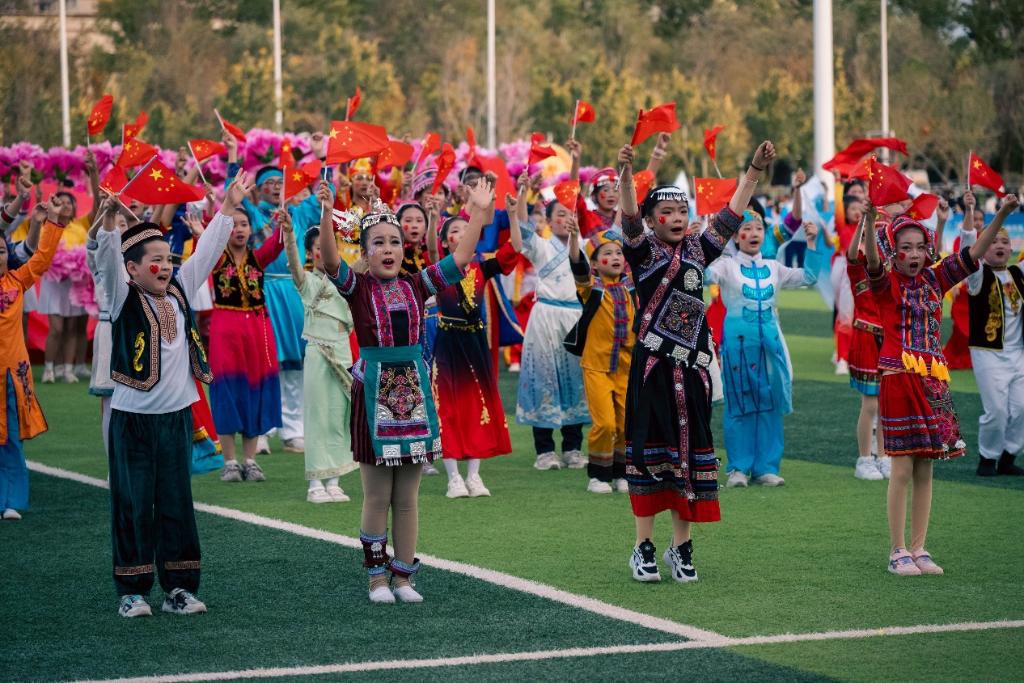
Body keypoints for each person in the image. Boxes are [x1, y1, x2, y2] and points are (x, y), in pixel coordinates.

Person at [320, 181, 492, 604]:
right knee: (377, 496)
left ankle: (404, 578)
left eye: (394, 241)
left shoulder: (418, 284)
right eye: (378, 242)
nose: (388, 249)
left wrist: (477, 212)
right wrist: (326, 213)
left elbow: (461, 259)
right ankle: (376, 579)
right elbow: (329, 260)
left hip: (413, 395)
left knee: (408, 499)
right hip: (373, 395)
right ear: (365, 252)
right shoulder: (357, 287)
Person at [616, 139, 775, 584]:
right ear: (651, 220)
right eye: (666, 212)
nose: (676, 218)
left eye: (682, 211)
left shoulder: (699, 251)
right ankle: (643, 548)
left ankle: (681, 548)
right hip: (652, 369)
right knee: (650, 453)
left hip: (693, 369)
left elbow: (732, 214)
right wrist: (626, 176)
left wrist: (754, 170)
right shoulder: (641, 252)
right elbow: (627, 217)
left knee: (688, 453)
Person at [97, 170, 252, 616]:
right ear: (132, 268)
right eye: (156, 261)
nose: (166, 267)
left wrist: (228, 207)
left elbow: (206, 252)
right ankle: (132, 591)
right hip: (132, 421)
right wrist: (109, 224)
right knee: (132, 506)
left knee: (176, 504)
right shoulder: (121, 297)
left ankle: (179, 589)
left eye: (168, 259)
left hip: (176, 419)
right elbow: (106, 262)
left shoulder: (180, 290)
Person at [862, 194, 1018, 577]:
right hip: (899, 378)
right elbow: (872, 262)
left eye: (920, 246)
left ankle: (919, 548)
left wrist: (1002, 212)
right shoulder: (886, 283)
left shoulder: (936, 278)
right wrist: (867, 223)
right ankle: (897, 550)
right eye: (906, 247)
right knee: (901, 468)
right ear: (894, 251)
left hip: (933, 381)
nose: (914, 254)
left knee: (926, 468)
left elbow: (974, 253)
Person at [225, 132, 326, 454]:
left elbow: (326, 194)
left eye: (279, 182)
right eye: (267, 183)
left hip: (294, 291)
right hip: (263, 291)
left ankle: (293, 431)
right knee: (266, 362)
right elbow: (232, 196)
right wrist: (232, 154)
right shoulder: (253, 215)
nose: (274, 187)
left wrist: (322, 157)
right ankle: (263, 429)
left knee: (295, 364)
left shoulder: (300, 214)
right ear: (258, 189)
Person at [708, 211, 820, 488]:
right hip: (738, 344)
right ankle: (738, 468)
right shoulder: (726, 266)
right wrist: (704, 243)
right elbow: (704, 276)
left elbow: (809, 276)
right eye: (747, 228)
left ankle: (766, 468)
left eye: (759, 228)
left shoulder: (774, 267)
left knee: (770, 402)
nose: (754, 233)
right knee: (739, 403)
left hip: (770, 345)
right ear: (736, 237)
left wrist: (811, 243)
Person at [432, 191, 519, 499]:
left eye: (466, 229)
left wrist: (513, 214)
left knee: (477, 406)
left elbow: (515, 248)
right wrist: (434, 217)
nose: (462, 234)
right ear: (445, 243)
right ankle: (453, 478)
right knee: (447, 409)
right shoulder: (441, 268)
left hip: (475, 342)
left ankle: (474, 476)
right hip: (448, 342)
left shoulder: (482, 266)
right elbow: (430, 244)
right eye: (455, 231)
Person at [285, 187, 357, 503]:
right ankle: (316, 483)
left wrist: (370, 209)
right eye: (316, 248)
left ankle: (335, 481)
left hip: (342, 350)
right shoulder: (306, 281)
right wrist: (288, 234)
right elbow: (292, 261)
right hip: (317, 350)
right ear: (310, 252)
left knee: (340, 416)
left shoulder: (348, 279)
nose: (322, 252)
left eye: (325, 246)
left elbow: (368, 255)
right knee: (316, 416)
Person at [510, 197, 590, 471]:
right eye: (561, 214)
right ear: (548, 219)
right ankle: (544, 451)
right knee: (543, 379)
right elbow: (522, 228)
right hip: (545, 316)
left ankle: (572, 448)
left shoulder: (585, 246)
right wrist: (522, 195)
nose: (566, 219)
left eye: (571, 214)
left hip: (575, 317)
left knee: (576, 380)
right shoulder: (541, 246)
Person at [0, 194, 67, 521]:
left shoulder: (17, 281)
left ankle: (11, 502)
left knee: (11, 440)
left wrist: (51, 221)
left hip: (12, 378)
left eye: (1, 250)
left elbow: (41, 259)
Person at [209, 200, 285, 483]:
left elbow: (277, 244)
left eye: (244, 224)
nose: (239, 229)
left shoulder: (257, 258)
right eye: (233, 225)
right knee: (226, 389)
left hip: (256, 329)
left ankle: (250, 461)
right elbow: (206, 243)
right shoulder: (217, 258)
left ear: (251, 229)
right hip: (225, 330)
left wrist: (283, 224)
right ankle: (230, 462)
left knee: (255, 389)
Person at [565, 220, 635, 494]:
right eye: (607, 253)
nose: (615, 257)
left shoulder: (631, 288)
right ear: (594, 263)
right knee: (605, 423)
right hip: (597, 366)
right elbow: (577, 266)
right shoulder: (591, 288)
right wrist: (574, 239)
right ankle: (598, 475)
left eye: (618, 253)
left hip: (626, 367)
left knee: (625, 424)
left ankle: (621, 473)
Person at [958, 191, 1024, 477]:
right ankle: (988, 457)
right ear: (984, 248)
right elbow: (967, 248)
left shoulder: (1018, 273)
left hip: (1018, 354)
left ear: (1012, 248)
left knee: (1022, 408)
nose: (999, 245)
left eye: (1004, 242)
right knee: (996, 410)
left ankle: (1008, 455)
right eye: (993, 241)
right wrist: (969, 211)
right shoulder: (977, 276)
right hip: (988, 353)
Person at [39, 152, 100, 384]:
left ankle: (68, 368)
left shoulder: (81, 225)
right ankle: (49, 369)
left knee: (75, 325)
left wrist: (93, 173)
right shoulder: (48, 225)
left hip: (76, 282)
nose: (65, 205)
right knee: (56, 328)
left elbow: (98, 206)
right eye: (61, 202)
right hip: (54, 283)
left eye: (69, 202)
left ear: (75, 207)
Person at [846, 215, 890, 481]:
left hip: (890, 340)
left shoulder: (893, 270)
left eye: (883, 237)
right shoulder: (858, 266)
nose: (878, 242)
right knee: (871, 404)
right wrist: (865, 220)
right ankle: (864, 459)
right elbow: (852, 253)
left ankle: (883, 456)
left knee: (887, 403)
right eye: (873, 236)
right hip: (866, 337)